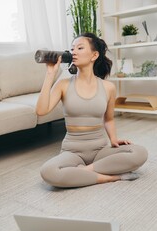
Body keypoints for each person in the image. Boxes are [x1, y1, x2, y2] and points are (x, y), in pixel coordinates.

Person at [36, 32, 148, 188]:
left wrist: (114, 139)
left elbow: (109, 119)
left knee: (140, 153)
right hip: (72, 151)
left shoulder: (108, 87)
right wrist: (50, 75)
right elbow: (41, 111)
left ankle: (84, 172)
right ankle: (112, 177)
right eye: (72, 48)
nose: (74, 52)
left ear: (94, 55)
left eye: (80, 48)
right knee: (48, 172)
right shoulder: (63, 84)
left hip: (100, 149)